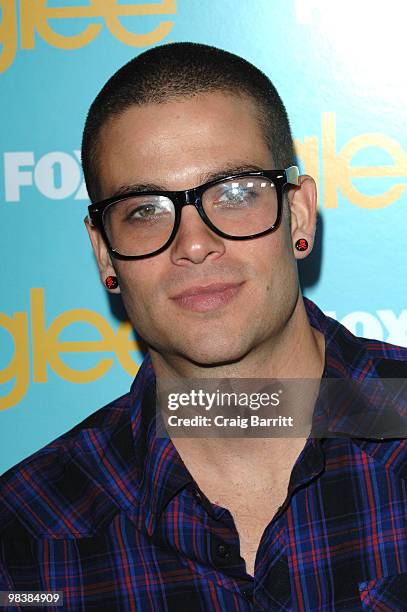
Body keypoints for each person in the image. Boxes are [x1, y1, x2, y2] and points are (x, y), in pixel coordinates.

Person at [1, 42, 407, 611]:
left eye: (236, 192)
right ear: (104, 254)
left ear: (298, 212)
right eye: (145, 210)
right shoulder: (24, 537)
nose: (194, 244)